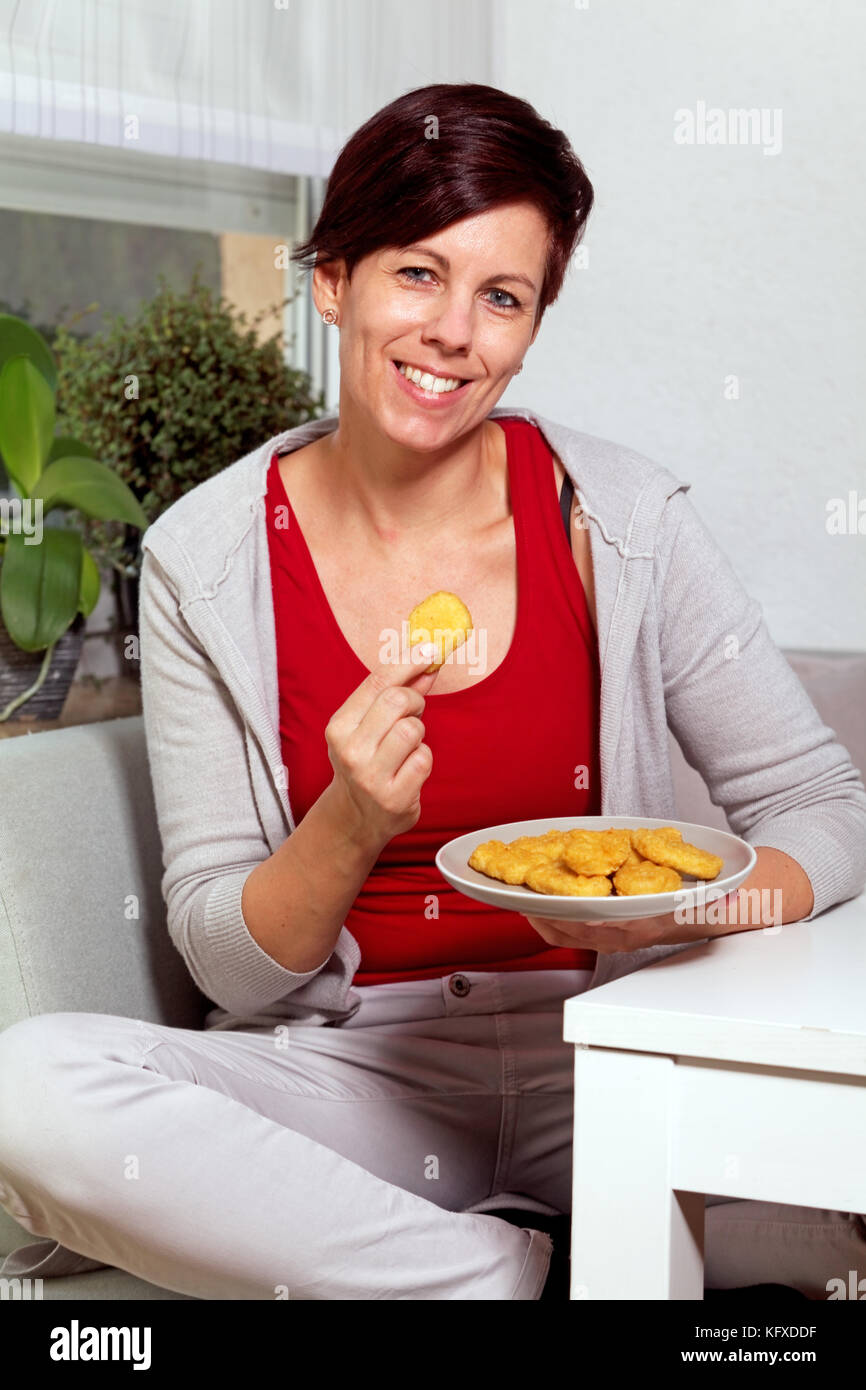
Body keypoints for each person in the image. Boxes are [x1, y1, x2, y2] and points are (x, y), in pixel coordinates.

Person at [0, 82, 864, 1302]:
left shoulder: (618, 521)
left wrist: (679, 917)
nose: (454, 332)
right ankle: (510, 1281)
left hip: (608, 1052)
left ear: (530, 324)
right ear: (333, 279)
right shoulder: (208, 557)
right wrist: (349, 821)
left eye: (500, 297)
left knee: (835, 1232)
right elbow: (225, 959)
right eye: (417, 273)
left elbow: (824, 804)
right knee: (25, 1092)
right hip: (347, 1078)